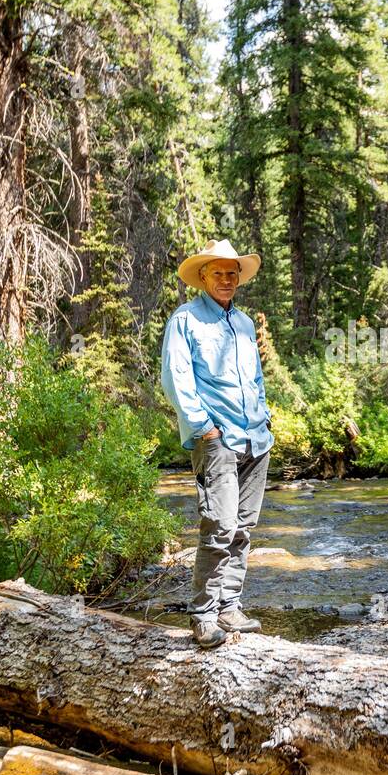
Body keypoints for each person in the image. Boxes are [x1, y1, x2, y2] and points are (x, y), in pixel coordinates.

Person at [160, 239, 274, 648]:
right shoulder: (186, 319)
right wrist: (203, 427)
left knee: (243, 528)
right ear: (203, 276)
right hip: (217, 440)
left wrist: (265, 418)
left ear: (238, 278)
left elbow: (255, 379)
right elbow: (176, 379)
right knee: (219, 526)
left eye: (232, 273)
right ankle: (204, 614)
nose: (225, 279)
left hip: (256, 438)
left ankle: (230, 606)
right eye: (218, 273)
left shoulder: (242, 323)